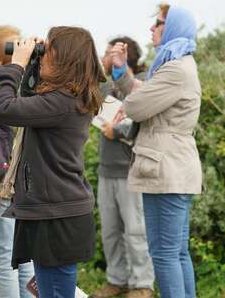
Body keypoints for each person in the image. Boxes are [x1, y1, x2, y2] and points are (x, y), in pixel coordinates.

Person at [0, 26, 106, 298]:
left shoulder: (61, 104)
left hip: (57, 215)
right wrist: (31, 64)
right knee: (51, 292)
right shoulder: (65, 100)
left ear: (63, 60)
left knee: (54, 293)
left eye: (46, 52)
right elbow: (30, 101)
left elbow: (1, 108)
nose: (40, 56)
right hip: (56, 210)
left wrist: (16, 64)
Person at [111, 4, 201, 298]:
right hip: (173, 166)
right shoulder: (176, 63)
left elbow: (137, 105)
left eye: (158, 23)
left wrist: (127, 104)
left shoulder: (175, 68)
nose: (152, 28)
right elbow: (143, 91)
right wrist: (122, 72)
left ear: (172, 27)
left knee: (163, 253)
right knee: (177, 252)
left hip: (165, 168)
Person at [91, 37, 154, 298]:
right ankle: (116, 280)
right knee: (111, 231)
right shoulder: (106, 85)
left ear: (127, 54)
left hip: (131, 171)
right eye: (106, 52)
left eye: (112, 53)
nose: (108, 56)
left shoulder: (144, 82)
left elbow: (145, 121)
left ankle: (142, 285)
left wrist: (116, 132)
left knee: (136, 231)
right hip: (107, 170)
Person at [0, 25, 34, 298]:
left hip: (3, 182)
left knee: (5, 259)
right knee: (24, 259)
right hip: (26, 181)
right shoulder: (31, 83)